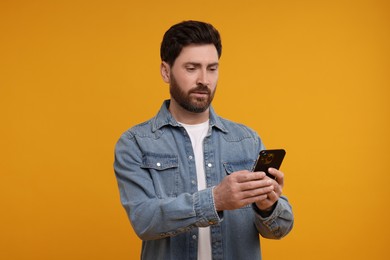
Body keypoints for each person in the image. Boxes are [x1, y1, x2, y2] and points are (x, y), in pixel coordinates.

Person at [114, 20, 294, 260]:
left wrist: (268, 206)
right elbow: (145, 221)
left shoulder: (246, 140)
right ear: (166, 71)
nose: (204, 79)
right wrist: (216, 199)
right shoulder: (135, 143)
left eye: (212, 68)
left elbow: (280, 229)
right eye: (191, 68)